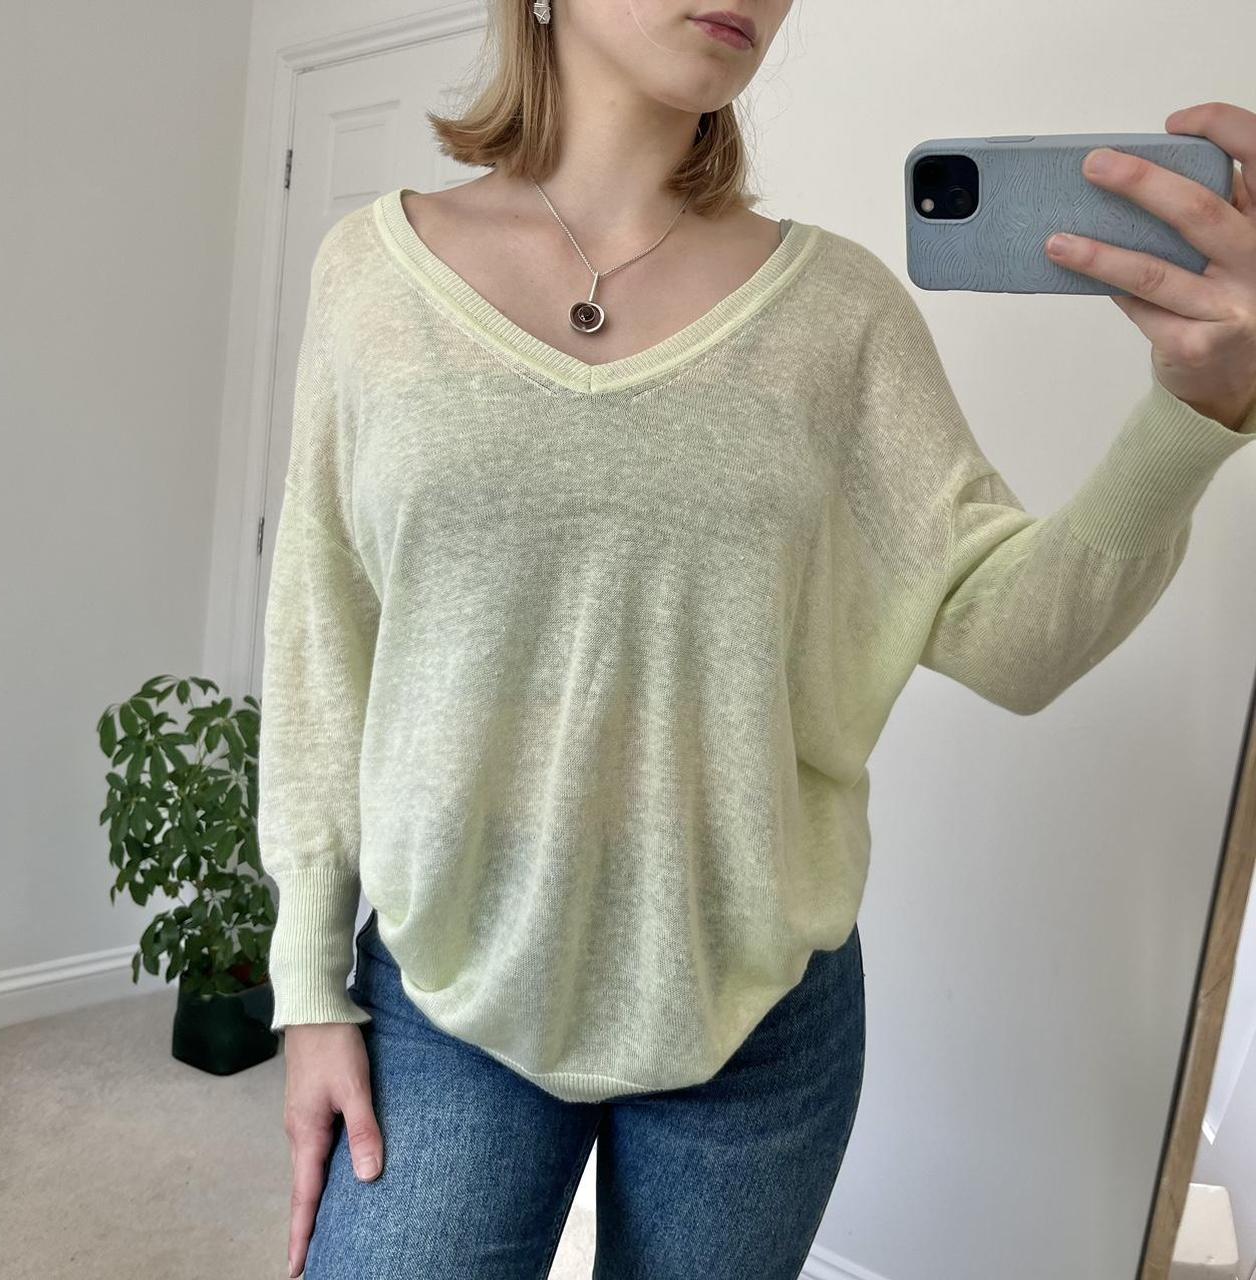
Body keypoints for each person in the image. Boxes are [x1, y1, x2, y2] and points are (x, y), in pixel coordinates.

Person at [257, 1, 1256, 1276]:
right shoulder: (368, 274)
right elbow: (320, 645)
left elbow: (1011, 639)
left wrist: (1195, 407)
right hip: (447, 983)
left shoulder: (837, 314)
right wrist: (308, 988)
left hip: (758, 1007)